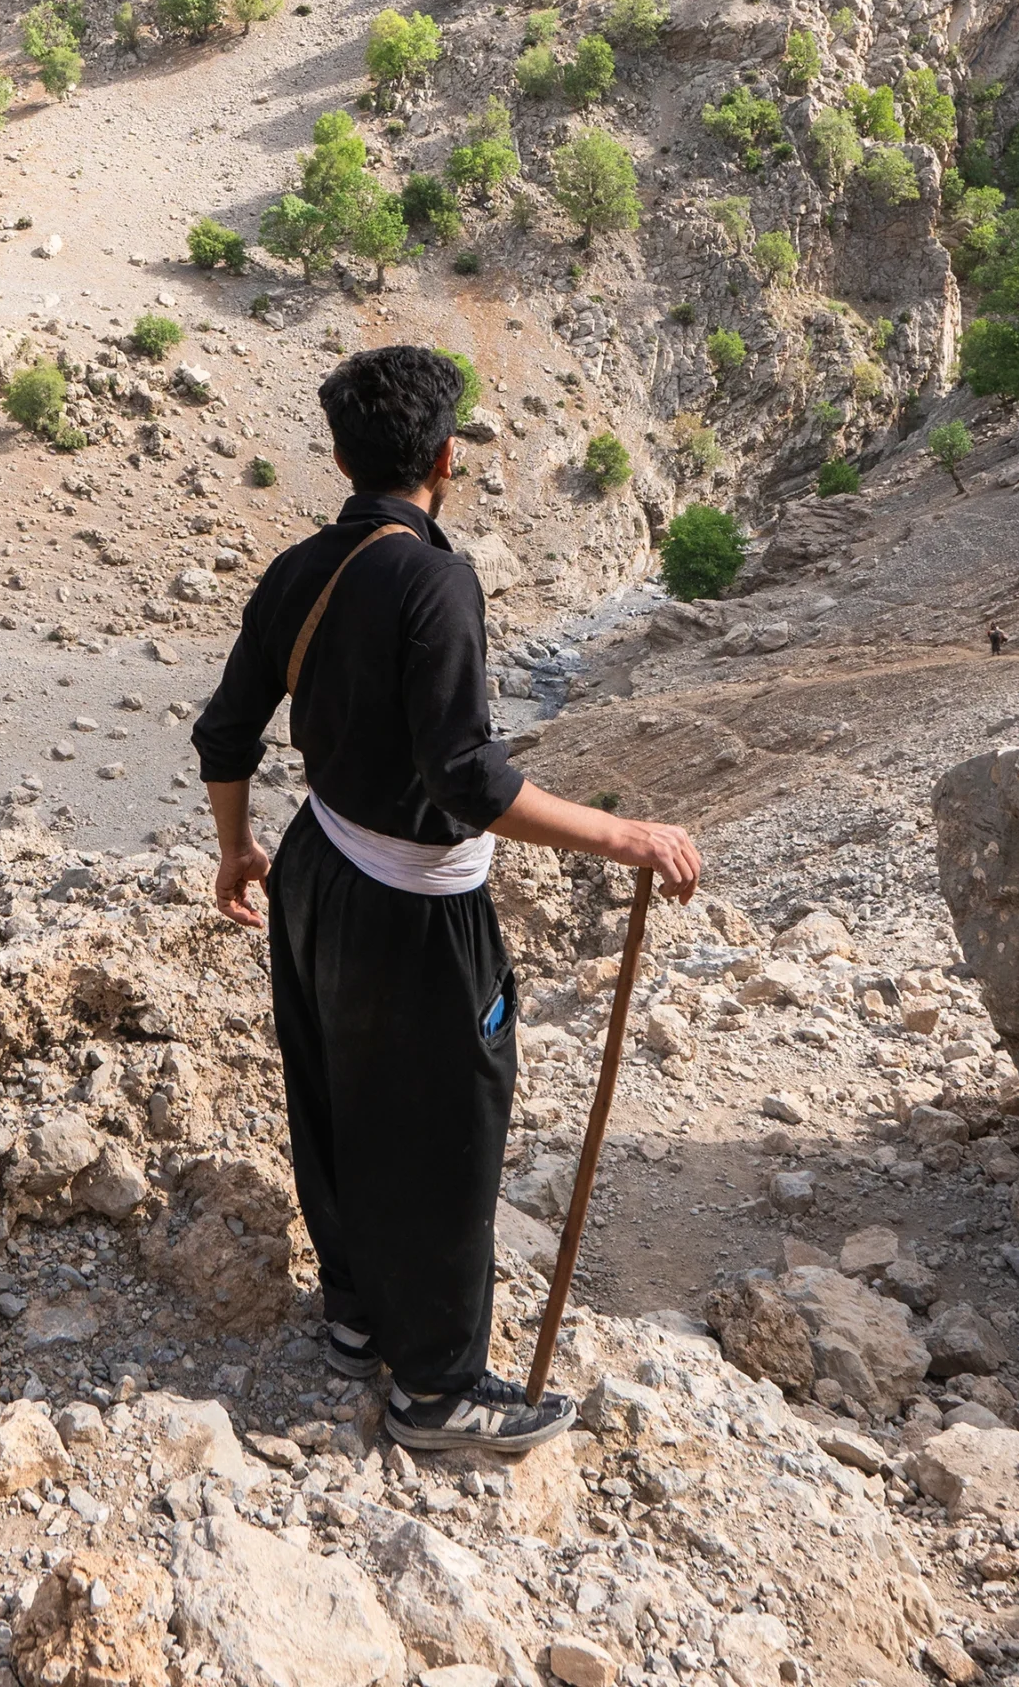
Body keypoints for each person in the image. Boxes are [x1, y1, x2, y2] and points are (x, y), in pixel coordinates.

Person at [192, 345, 701, 1456]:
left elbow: (225, 732)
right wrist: (627, 836)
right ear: (444, 459)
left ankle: (355, 1317)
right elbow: (466, 779)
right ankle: (436, 1389)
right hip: (414, 906)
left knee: (333, 1098)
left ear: (340, 459)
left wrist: (237, 849)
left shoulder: (298, 570)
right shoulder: (437, 581)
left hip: (313, 871)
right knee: (445, 1135)